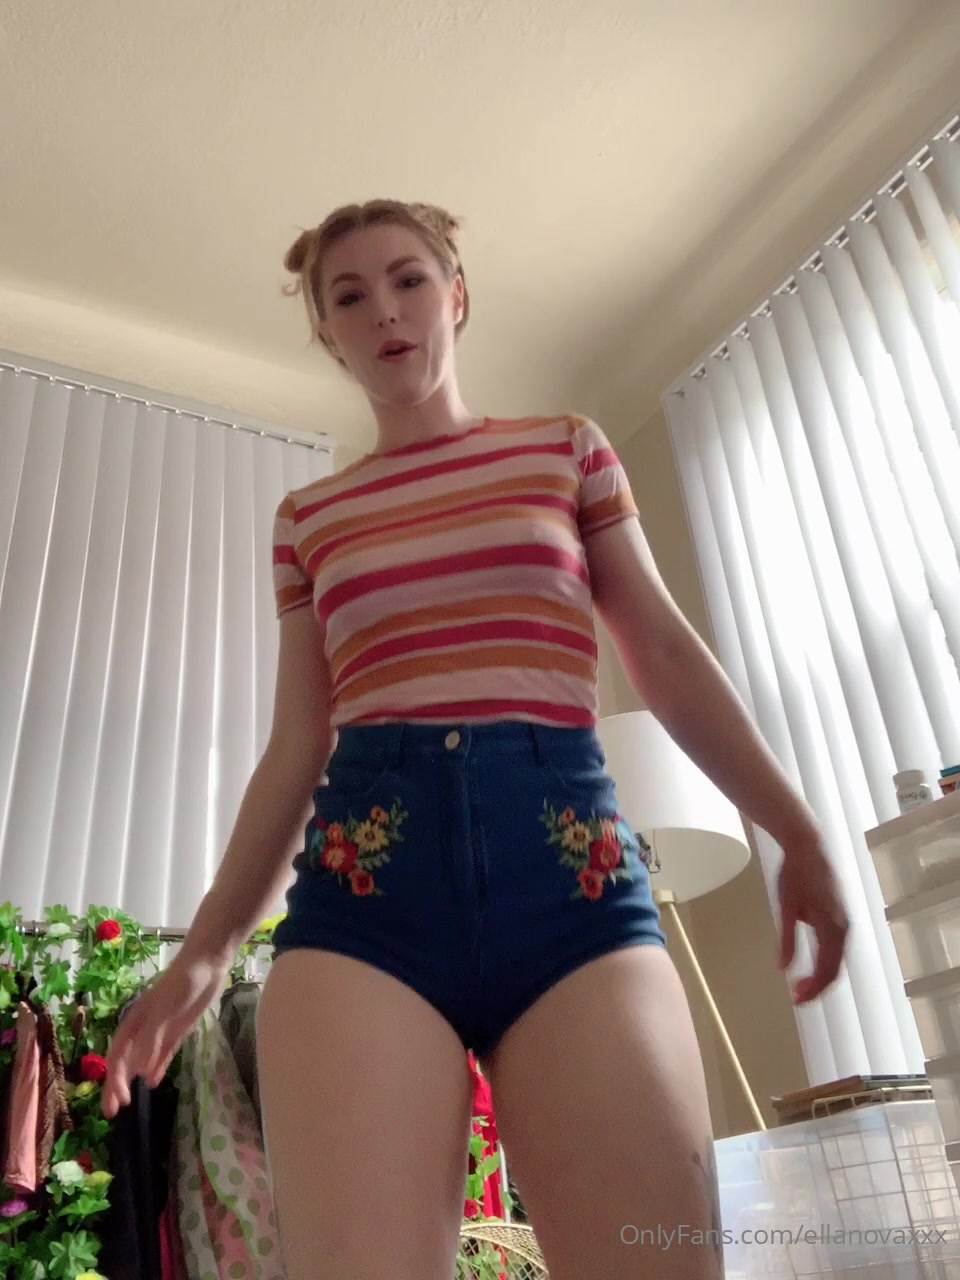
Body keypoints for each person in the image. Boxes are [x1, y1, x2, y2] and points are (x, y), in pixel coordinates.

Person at [102, 199, 850, 1279]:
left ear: (456, 296)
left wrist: (797, 828)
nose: (384, 310)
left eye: (408, 279)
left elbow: (664, 653)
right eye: (348, 297)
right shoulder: (310, 519)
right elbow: (296, 746)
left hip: (572, 887)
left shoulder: (566, 449)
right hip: (366, 904)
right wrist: (205, 954)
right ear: (328, 334)